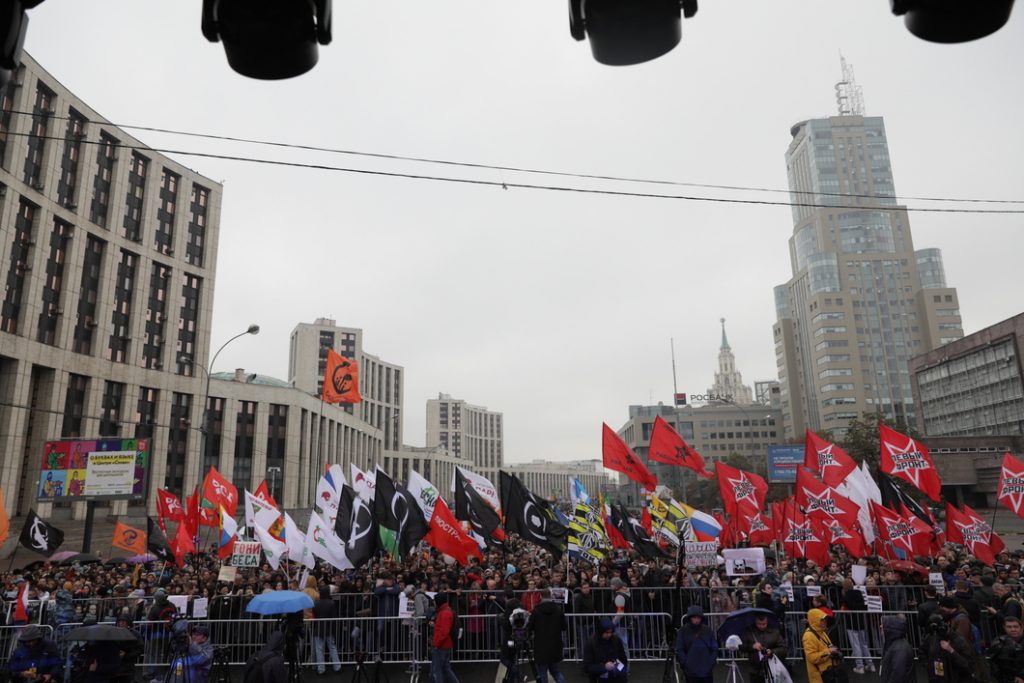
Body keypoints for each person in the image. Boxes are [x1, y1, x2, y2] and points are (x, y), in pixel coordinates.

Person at [529, 588, 568, 683]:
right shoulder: (558, 610)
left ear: (541, 597)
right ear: (551, 596)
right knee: (556, 672)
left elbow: (530, 627)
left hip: (541, 647)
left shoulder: (536, 610)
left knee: (542, 673)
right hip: (555, 646)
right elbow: (564, 626)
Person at [922, 613, 974, 683]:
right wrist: (929, 666)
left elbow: (968, 666)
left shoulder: (958, 640)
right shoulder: (931, 637)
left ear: (948, 623)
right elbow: (922, 652)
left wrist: (951, 651)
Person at [739, 613, 788, 683]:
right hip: (755, 670)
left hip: (772, 669)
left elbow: (784, 649)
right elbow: (741, 646)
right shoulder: (748, 631)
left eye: (764, 624)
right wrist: (752, 646)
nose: (762, 626)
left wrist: (772, 651)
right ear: (755, 622)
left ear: (767, 621)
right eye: (759, 624)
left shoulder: (775, 632)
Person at [674, 605, 717, 683]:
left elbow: (714, 648)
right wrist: (686, 663)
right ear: (690, 618)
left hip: (706, 670)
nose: (696, 620)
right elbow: (680, 649)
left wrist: (711, 663)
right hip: (691, 671)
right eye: (694, 618)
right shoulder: (683, 631)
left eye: (698, 618)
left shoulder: (707, 630)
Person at [840, 577, 873, 674]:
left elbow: (850, 607)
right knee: (864, 644)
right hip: (860, 621)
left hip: (851, 622)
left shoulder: (846, 596)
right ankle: (870, 664)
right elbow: (862, 606)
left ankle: (860, 666)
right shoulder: (858, 593)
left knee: (856, 645)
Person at [581, 618, 628, 683]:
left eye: (611, 632)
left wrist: (616, 665)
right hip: (598, 678)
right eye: (606, 632)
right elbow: (587, 667)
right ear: (600, 631)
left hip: (617, 678)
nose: (609, 635)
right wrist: (604, 667)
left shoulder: (616, 640)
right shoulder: (591, 643)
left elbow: (623, 660)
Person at [802, 608, 840, 683]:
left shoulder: (821, 631)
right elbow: (812, 657)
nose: (824, 622)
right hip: (819, 675)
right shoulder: (808, 636)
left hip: (827, 672)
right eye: (821, 620)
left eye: (825, 619)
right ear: (815, 620)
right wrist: (829, 652)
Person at [311, 586, 341, 675]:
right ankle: (337, 667)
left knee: (319, 649)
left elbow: (314, 616)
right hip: (329, 628)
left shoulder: (315, 603)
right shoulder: (331, 603)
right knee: (332, 647)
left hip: (319, 628)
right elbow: (334, 617)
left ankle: (321, 669)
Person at [431, 592, 460, 683]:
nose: (434, 603)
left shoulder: (444, 613)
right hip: (444, 644)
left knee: (437, 670)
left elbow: (444, 632)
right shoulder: (446, 611)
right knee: (445, 669)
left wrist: (436, 643)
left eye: (435, 601)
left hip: (441, 645)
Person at [987, 614, 1024, 683]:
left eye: (1015, 627)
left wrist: (1022, 676)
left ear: (1021, 627)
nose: (1013, 629)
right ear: (1004, 628)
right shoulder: (998, 642)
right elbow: (993, 663)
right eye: (1009, 627)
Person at [878, 615, 913, 683]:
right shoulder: (895, 644)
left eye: (883, 624)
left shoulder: (899, 649)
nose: (881, 626)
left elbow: (898, 675)